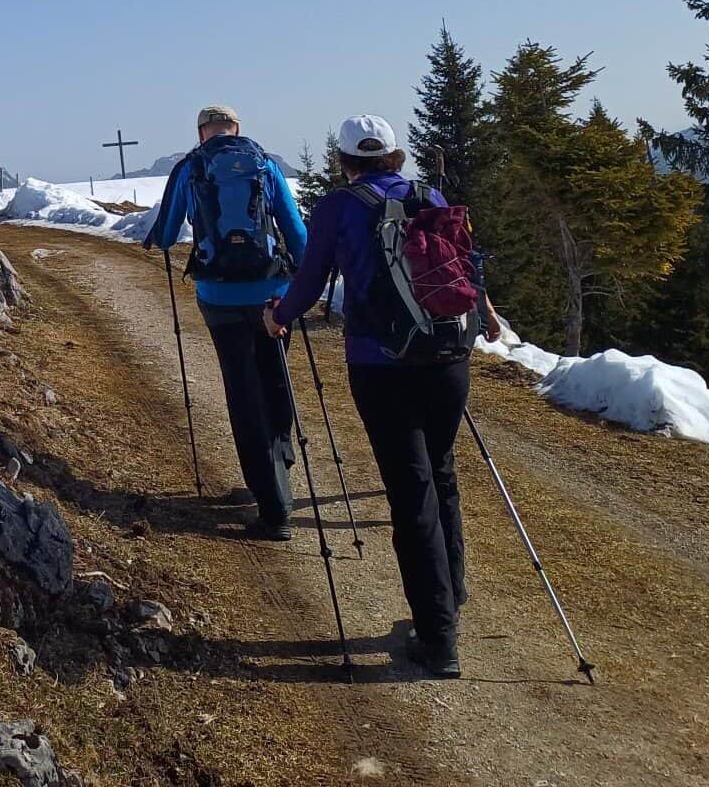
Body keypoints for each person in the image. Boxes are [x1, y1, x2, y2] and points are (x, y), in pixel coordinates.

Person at [263, 114, 501, 678]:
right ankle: (451, 592)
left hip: (381, 363)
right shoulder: (428, 194)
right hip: (447, 355)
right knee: (441, 471)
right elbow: (464, 263)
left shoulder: (338, 207)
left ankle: (438, 639)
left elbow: (311, 278)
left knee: (411, 490)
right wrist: (488, 314)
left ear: (345, 160)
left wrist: (279, 317)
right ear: (394, 154)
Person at [140, 105, 307, 542]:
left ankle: (273, 506)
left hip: (220, 297)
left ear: (202, 133)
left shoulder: (190, 167)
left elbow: (168, 232)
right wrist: (305, 281)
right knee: (275, 375)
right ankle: (282, 456)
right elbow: (294, 229)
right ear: (237, 130)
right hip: (274, 293)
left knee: (243, 390)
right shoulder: (264, 163)